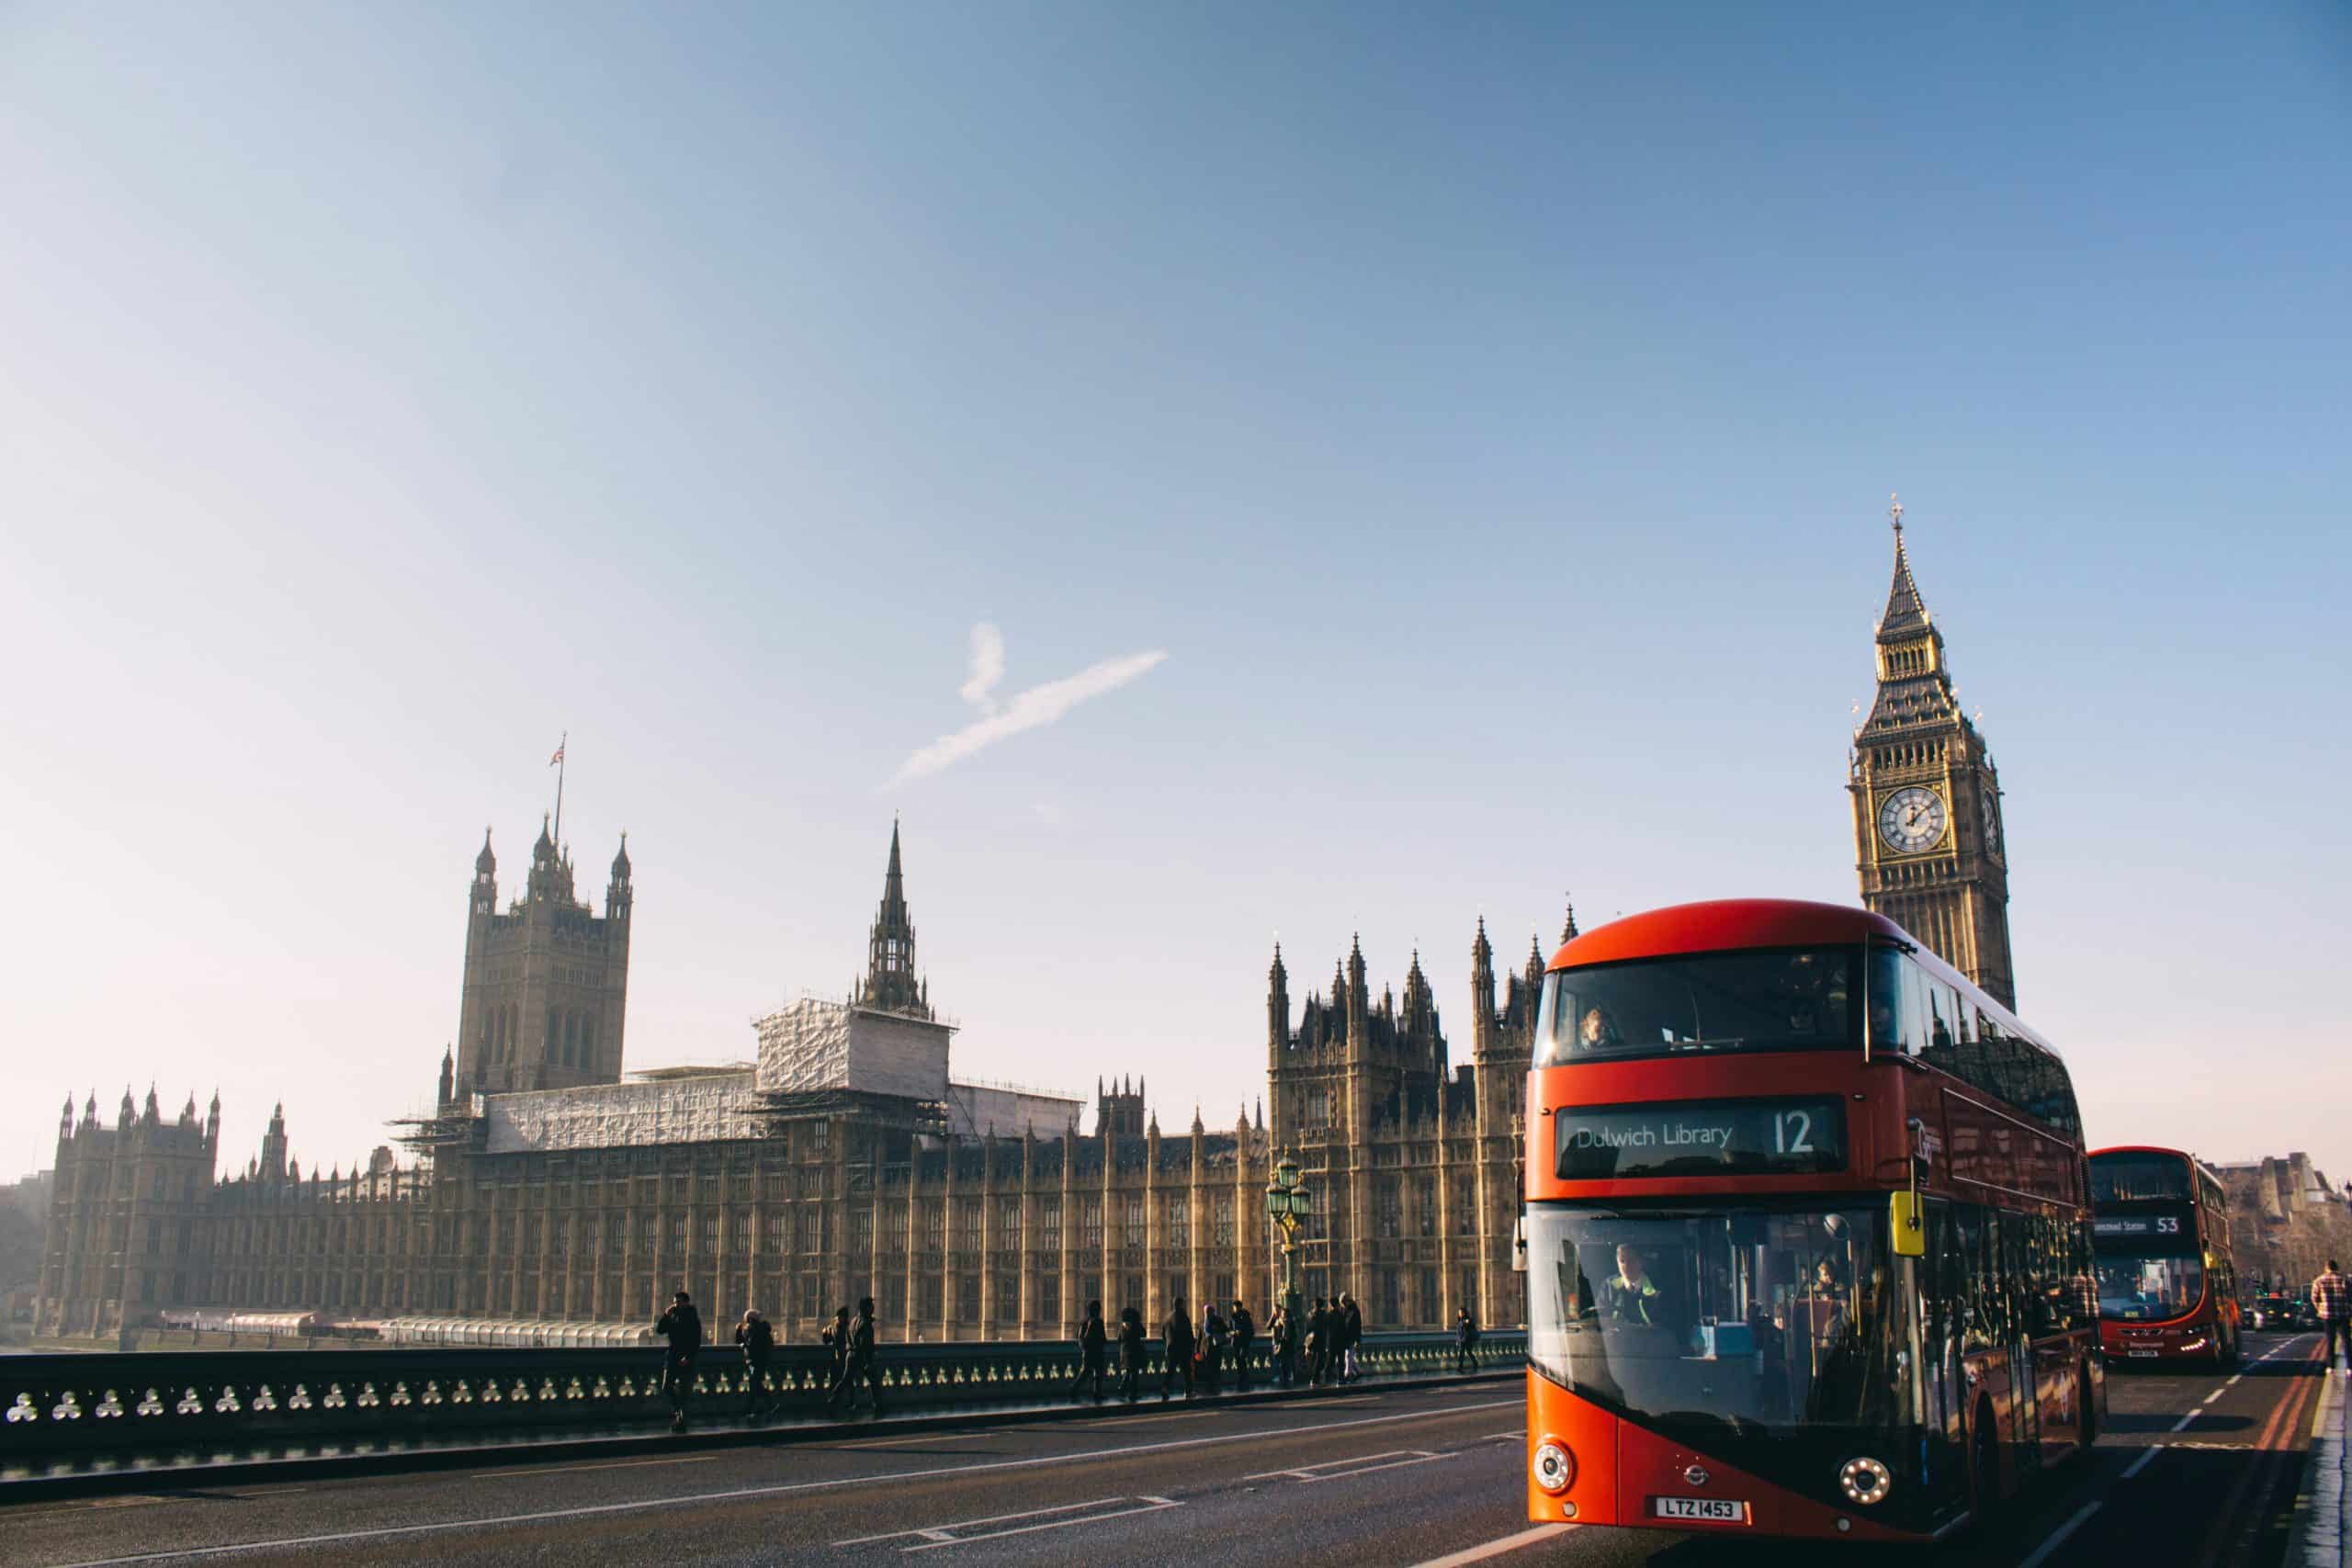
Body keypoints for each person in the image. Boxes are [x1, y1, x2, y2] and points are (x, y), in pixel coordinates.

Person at [827, 1295, 884, 1418]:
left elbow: (848, 1338)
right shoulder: (865, 1323)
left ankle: (832, 1399)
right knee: (873, 1381)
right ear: (867, 1308)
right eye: (871, 1306)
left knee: (845, 1380)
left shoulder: (853, 1321)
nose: (873, 1308)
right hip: (861, 1356)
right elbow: (865, 1343)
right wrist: (868, 1359)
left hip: (850, 1355)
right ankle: (878, 1406)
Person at [654, 1289, 703, 1433]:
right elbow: (660, 1330)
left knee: (684, 1392)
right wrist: (665, 1315)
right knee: (666, 1387)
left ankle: (681, 1421)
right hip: (673, 1357)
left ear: (686, 1303)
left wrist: (687, 1357)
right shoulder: (673, 1316)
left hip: (686, 1359)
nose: (676, 1305)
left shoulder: (693, 1319)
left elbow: (696, 1341)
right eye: (674, 1303)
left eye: (679, 1302)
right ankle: (678, 1413)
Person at [734, 1307, 775, 1419]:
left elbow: (748, 1345)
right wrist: (739, 1331)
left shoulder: (754, 1329)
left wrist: (744, 1344)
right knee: (755, 1385)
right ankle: (763, 1407)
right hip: (760, 1361)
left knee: (755, 1384)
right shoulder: (761, 1329)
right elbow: (741, 1341)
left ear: (750, 1319)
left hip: (756, 1361)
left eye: (746, 1319)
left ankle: (766, 1405)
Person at [1605, 1246, 1661, 1327]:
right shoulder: (1608, 1286)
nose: (1626, 1265)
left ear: (1641, 1261)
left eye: (1631, 1260)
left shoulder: (1657, 1286)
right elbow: (1601, 1317)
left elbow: (1663, 1325)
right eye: (1622, 1261)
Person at [2315, 1260, 2351, 1372]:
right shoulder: (2344, 1280)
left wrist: (2320, 1308)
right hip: (2343, 1314)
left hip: (2328, 1314)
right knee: (2346, 1340)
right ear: (2337, 1267)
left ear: (2326, 1268)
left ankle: (2330, 1366)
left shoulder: (2319, 1280)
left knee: (2331, 1340)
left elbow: (2314, 1298)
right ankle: (2349, 1366)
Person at [1071, 1299, 1109, 1401]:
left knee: (1085, 1373)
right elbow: (1103, 1338)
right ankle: (1097, 1393)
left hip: (1087, 1352)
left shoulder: (1084, 1322)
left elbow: (1080, 1338)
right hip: (1097, 1351)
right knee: (1098, 1374)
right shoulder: (1099, 1321)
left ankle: (1074, 1389)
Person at [1162, 1296, 1197, 1402]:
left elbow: (1163, 1335)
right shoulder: (1183, 1316)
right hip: (1182, 1349)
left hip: (1171, 1349)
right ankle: (1188, 1391)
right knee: (1187, 1371)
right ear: (1181, 1304)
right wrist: (1192, 1345)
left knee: (1170, 1371)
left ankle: (1165, 1388)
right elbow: (1188, 1334)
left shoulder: (1167, 1318)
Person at [1117, 1305, 1148, 1404]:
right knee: (1134, 1374)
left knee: (1128, 1372)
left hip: (1125, 1352)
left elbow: (1119, 1339)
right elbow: (1143, 1333)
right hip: (1134, 1352)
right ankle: (1132, 1394)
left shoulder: (1122, 1326)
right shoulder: (1135, 1324)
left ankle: (1122, 1390)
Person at [821, 1304, 853, 1393]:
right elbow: (826, 1341)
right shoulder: (832, 1328)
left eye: (841, 1317)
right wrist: (824, 1334)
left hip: (845, 1357)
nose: (839, 1319)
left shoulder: (848, 1328)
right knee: (835, 1379)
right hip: (836, 1357)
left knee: (845, 1380)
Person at [1199, 1303, 1228, 1393]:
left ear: (1213, 1312)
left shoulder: (1218, 1320)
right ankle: (1210, 1384)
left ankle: (1216, 1384)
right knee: (1208, 1366)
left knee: (1216, 1366)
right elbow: (1200, 1338)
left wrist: (1216, 1329)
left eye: (1208, 1311)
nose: (1206, 1313)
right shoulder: (1202, 1321)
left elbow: (1225, 1329)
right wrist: (1198, 1350)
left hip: (1216, 1347)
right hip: (1206, 1348)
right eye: (1205, 1311)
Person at [1230, 1300, 1257, 1391]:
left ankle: (1244, 1378)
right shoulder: (1233, 1316)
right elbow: (1230, 1329)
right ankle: (1242, 1377)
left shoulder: (1246, 1316)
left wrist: (1242, 1333)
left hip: (1244, 1341)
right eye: (1235, 1307)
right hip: (1236, 1341)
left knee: (1242, 1358)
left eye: (1237, 1307)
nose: (1235, 1309)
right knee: (1238, 1360)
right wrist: (1234, 1332)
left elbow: (1250, 1330)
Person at [1270, 1302, 1296, 1387]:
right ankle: (1284, 1378)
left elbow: (1291, 1335)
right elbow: (1269, 1327)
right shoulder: (1278, 1321)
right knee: (1283, 1363)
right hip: (1281, 1345)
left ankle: (1289, 1378)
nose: (1282, 1315)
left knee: (1288, 1362)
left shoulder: (1289, 1322)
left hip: (1287, 1345)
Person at [1305, 1297, 1330, 1385]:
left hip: (1311, 1338)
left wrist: (1307, 1342)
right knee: (1320, 1359)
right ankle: (1315, 1379)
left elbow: (1307, 1328)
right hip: (1320, 1338)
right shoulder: (1323, 1314)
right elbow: (1327, 1326)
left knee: (1315, 1359)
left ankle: (1316, 1378)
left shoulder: (1310, 1314)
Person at [1340, 1293, 1363, 1382]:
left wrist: (1358, 1340)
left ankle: (1348, 1374)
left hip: (1351, 1337)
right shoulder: (1345, 1310)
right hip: (1346, 1337)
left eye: (1343, 1302)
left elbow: (1358, 1326)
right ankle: (1358, 1372)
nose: (1342, 1304)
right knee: (1348, 1355)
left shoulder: (1354, 1311)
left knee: (1349, 1355)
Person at [1453, 1305, 1479, 1373]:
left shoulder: (1467, 1319)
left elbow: (1470, 1325)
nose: (1460, 1314)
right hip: (1462, 1339)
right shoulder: (1460, 1320)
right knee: (1465, 1353)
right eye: (1459, 1313)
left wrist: (1467, 1322)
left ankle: (1461, 1366)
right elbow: (1459, 1332)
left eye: (1461, 1312)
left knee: (1466, 1352)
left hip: (1467, 1339)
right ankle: (1474, 1364)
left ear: (1464, 1313)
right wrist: (1458, 1340)